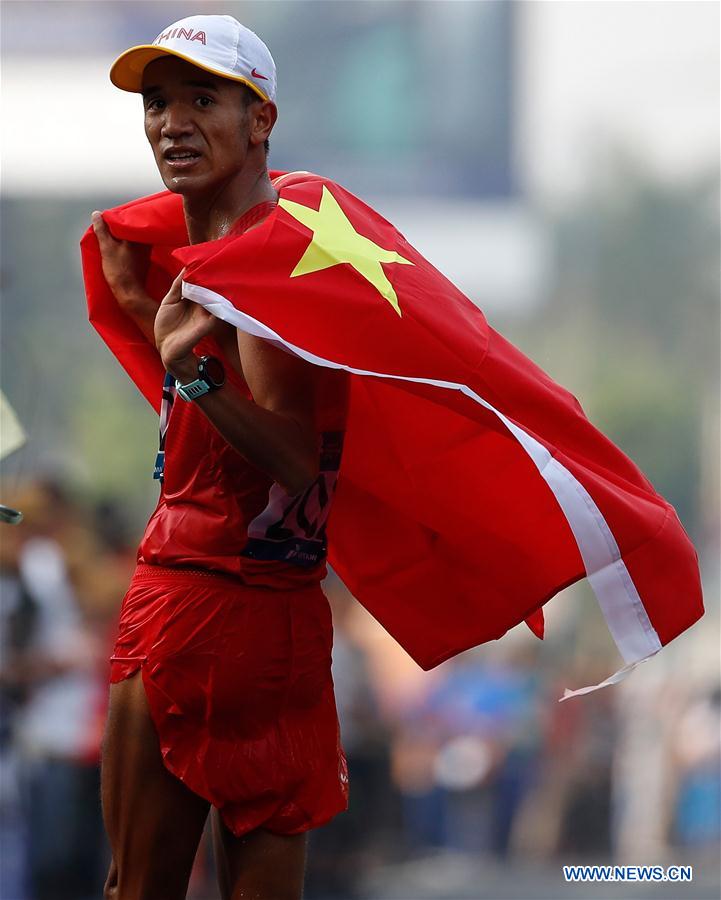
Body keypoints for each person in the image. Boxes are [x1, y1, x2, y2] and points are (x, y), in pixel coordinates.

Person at [90, 14, 349, 900]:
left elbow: (293, 456)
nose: (172, 122)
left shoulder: (256, 268)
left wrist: (190, 375)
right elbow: (229, 396)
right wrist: (141, 311)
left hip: (194, 608)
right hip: (285, 618)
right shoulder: (287, 250)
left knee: (137, 889)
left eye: (204, 99)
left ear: (260, 119)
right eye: (158, 102)